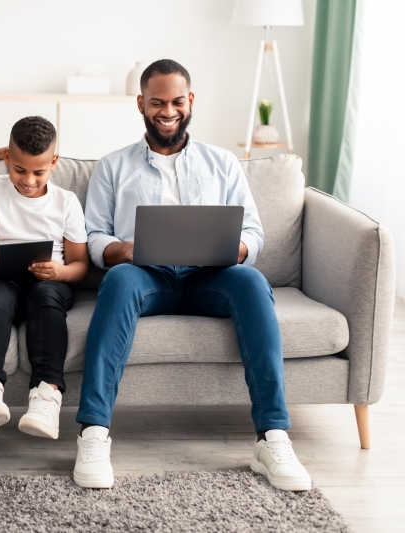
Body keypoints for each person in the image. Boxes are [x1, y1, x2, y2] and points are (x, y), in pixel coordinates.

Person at [73, 60, 312, 492]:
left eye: (177, 101)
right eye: (158, 102)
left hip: (210, 278)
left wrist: (232, 248)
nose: (168, 111)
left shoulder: (222, 163)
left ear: (191, 101)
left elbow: (254, 232)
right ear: (141, 104)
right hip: (145, 277)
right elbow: (92, 235)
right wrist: (118, 250)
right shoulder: (112, 166)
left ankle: (273, 437)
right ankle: (94, 433)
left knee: (254, 283)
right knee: (119, 280)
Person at [0, 116, 88, 439]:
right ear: (7, 157)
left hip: (48, 283)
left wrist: (59, 272)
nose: (28, 180)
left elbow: (79, 265)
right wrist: (5, 252)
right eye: (19, 170)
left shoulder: (66, 202)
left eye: (38, 171)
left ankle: (46, 397)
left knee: (45, 296)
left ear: (54, 162)